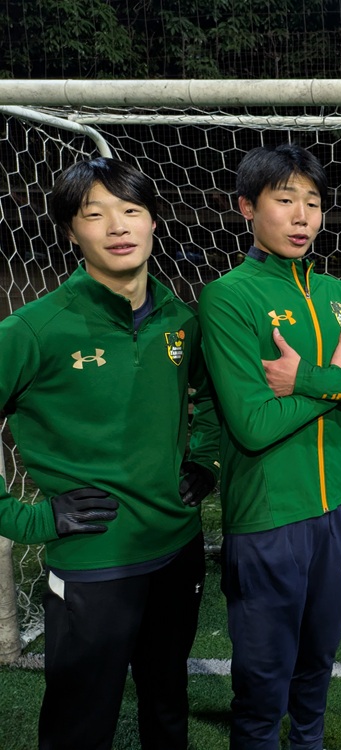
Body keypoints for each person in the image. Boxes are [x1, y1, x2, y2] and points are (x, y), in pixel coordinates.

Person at [0, 157, 220, 749]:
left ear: (153, 222)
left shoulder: (180, 319)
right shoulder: (34, 329)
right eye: (95, 214)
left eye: (131, 210)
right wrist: (28, 520)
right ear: (71, 231)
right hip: (94, 561)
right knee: (80, 725)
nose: (118, 226)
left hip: (177, 550)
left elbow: (208, 399)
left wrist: (205, 460)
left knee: (167, 707)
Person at [197, 143, 341, 750]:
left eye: (312, 202)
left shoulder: (337, 293)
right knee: (263, 681)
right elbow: (253, 425)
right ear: (246, 207)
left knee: (317, 662)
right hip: (267, 519)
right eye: (285, 200)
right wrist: (337, 382)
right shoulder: (228, 296)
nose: (302, 216)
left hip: (335, 511)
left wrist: (306, 379)